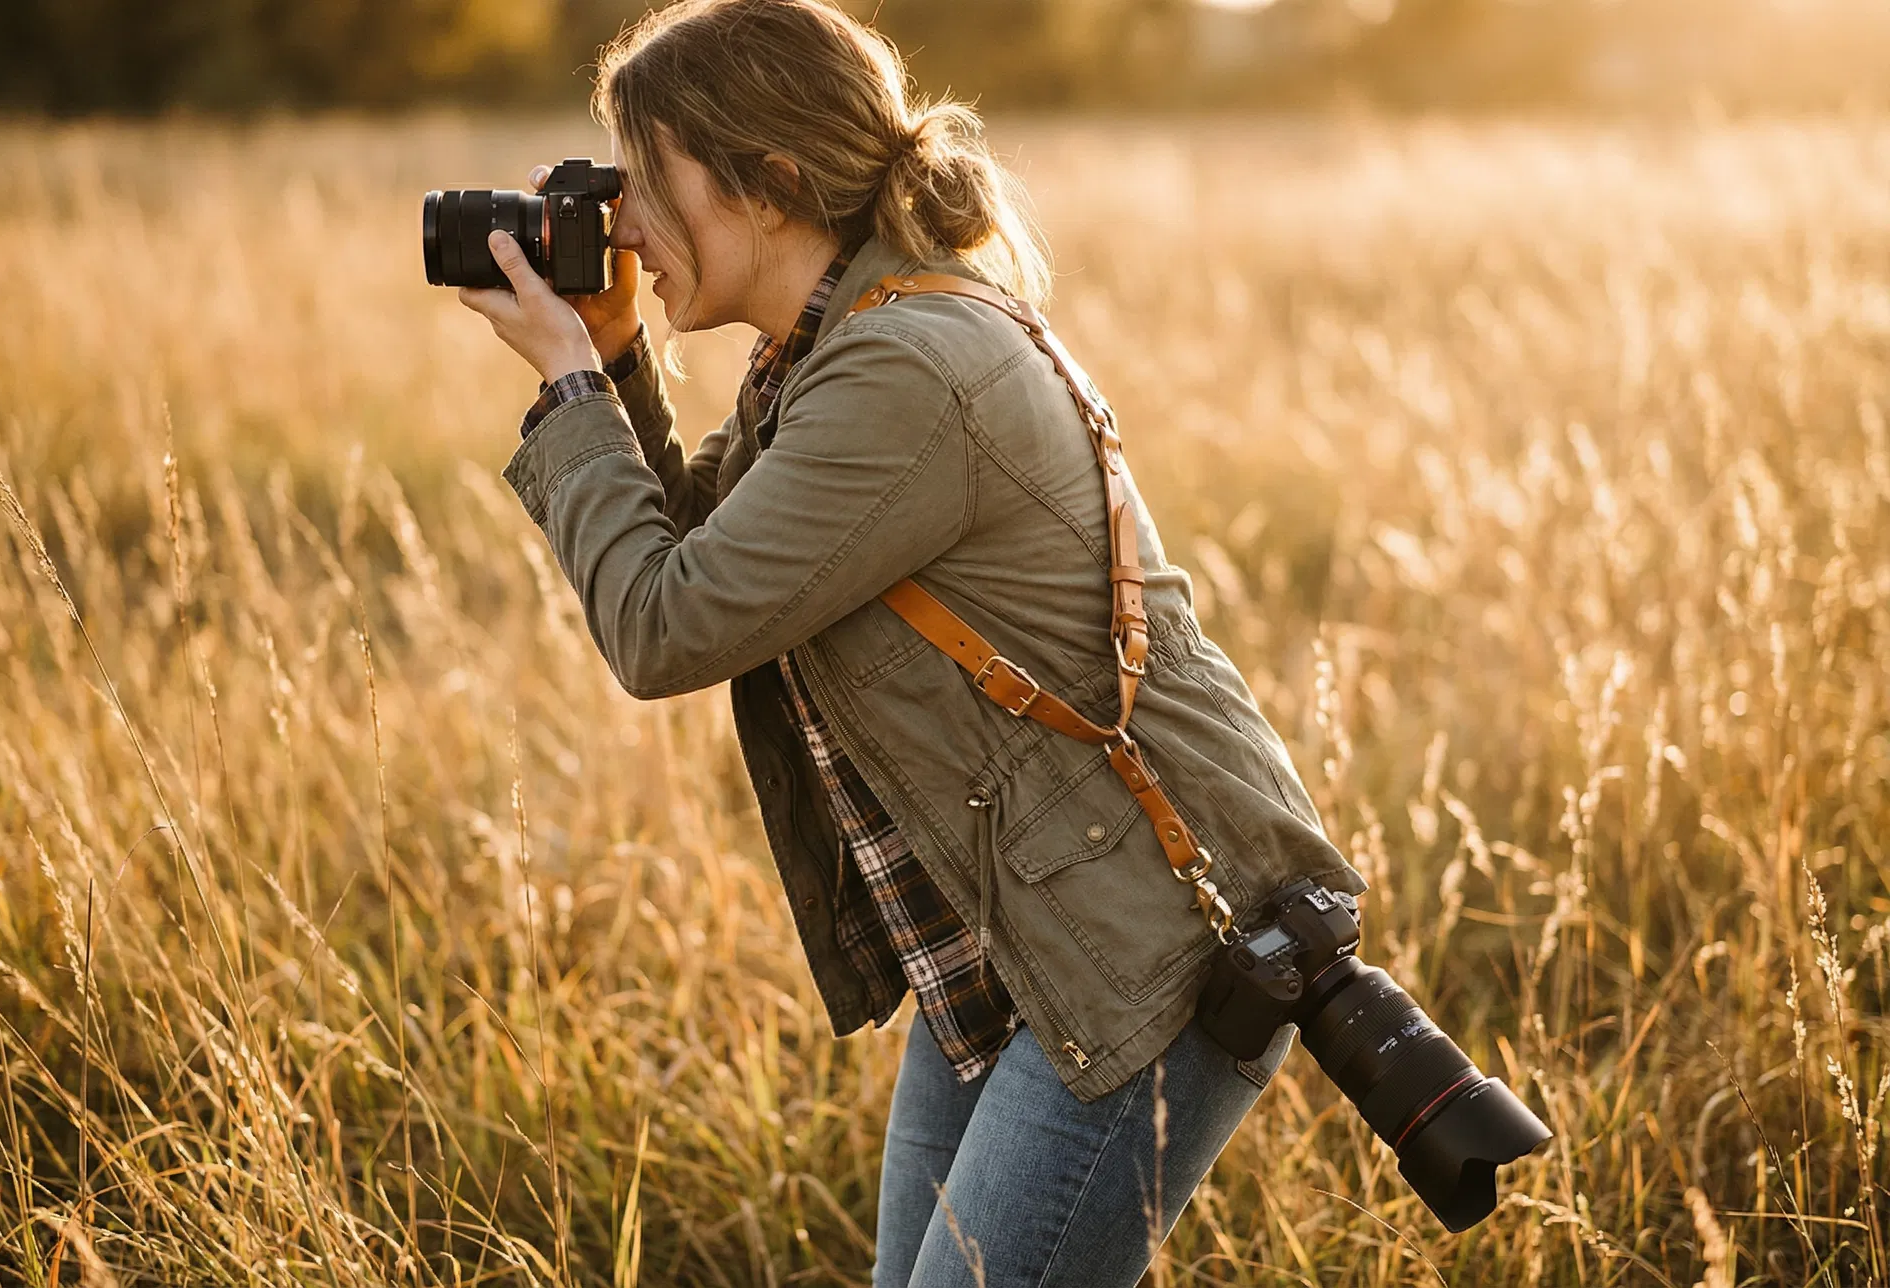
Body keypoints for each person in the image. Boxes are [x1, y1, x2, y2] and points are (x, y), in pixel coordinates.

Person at [458, 1, 1365, 1282]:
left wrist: (564, 388)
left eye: (649, 186)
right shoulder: (823, 353)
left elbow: (664, 627)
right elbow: (702, 548)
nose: (625, 229)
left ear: (768, 186)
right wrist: (609, 352)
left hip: (1136, 943)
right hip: (1015, 928)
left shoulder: (903, 371)